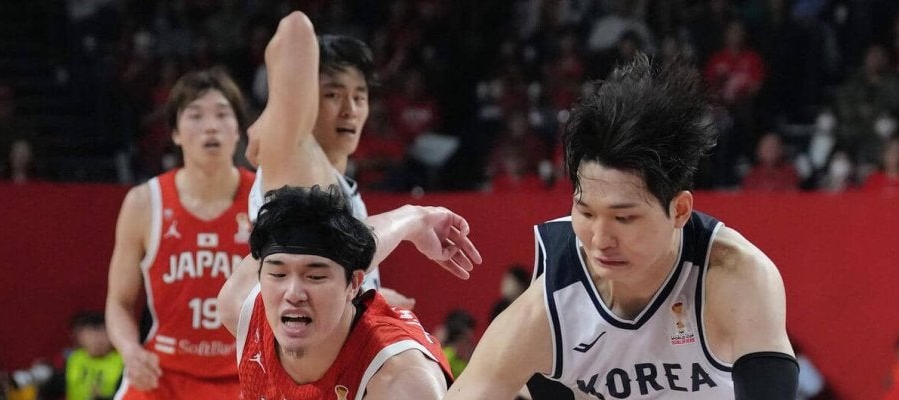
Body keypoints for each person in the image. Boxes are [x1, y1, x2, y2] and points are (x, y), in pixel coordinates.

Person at [446, 54, 797, 399]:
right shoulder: (549, 305)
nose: (600, 239)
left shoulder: (736, 278)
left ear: (679, 210)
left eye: (624, 218)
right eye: (586, 213)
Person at [217, 185, 482, 399]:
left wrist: (413, 219)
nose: (293, 293)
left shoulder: (400, 383)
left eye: (315, 277)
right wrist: (413, 220)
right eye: (278, 274)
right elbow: (353, 249)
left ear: (354, 285)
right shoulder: (240, 306)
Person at [105, 66, 256, 400]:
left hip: (246, 374)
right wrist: (130, 350)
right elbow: (119, 302)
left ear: (238, 130)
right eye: (196, 115)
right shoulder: (144, 203)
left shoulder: (266, 200)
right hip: (162, 374)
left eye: (222, 114)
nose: (211, 126)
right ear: (174, 132)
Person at [245, 11, 391, 295]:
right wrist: (271, 115)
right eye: (333, 95)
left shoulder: (338, 183)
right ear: (308, 96)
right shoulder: (296, 160)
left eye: (359, 97)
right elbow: (296, 28)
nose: (350, 110)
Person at [65, 312, 123, 400]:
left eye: (102, 334)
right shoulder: (74, 358)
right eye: (91, 335)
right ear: (80, 337)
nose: (97, 341)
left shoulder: (122, 361)